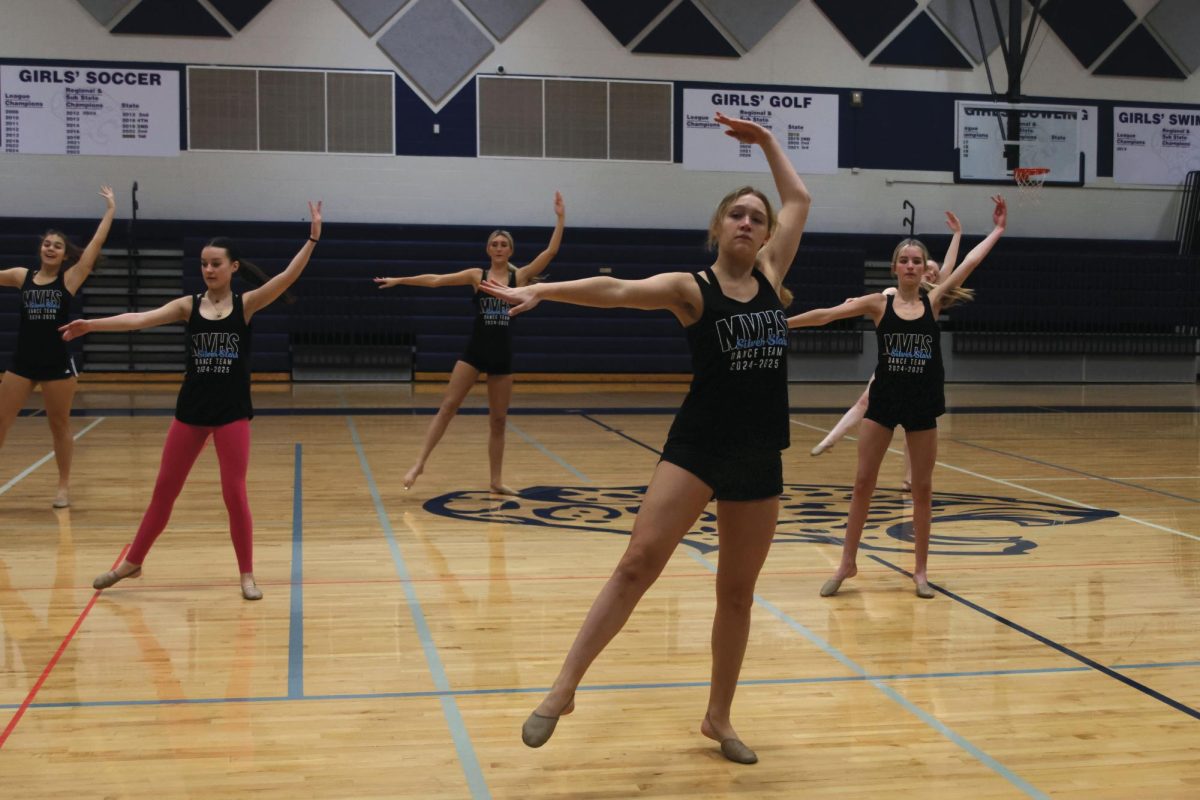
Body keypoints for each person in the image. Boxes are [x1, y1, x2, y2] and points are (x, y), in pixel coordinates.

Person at [479, 113, 810, 764]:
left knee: (736, 594)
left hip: (759, 453)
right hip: (700, 445)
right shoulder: (693, 288)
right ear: (717, 228)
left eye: (757, 217)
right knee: (636, 564)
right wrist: (543, 288)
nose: (748, 222)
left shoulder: (772, 273)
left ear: (768, 235)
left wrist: (768, 142)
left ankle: (719, 718)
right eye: (737, 215)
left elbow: (798, 197)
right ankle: (563, 688)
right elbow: (618, 290)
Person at [61, 201, 323, 601]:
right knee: (163, 493)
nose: (208, 269)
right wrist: (90, 324)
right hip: (191, 414)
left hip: (232, 414)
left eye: (216, 263)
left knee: (234, 494)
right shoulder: (188, 307)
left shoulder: (246, 305)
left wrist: (313, 238)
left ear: (233, 267)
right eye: (204, 263)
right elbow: (138, 318)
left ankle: (247, 575)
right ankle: (133, 562)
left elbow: (287, 278)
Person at [787, 196, 1005, 599]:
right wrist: (783, 323)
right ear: (894, 267)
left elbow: (970, 263)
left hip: (923, 403)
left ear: (925, 270)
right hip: (884, 402)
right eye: (904, 260)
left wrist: (997, 230)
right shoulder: (878, 303)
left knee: (922, 489)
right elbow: (827, 314)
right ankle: (846, 564)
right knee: (862, 484)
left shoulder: (933, 300)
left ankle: (920, 572)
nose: (910, 266)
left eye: (916, 261)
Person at [374, 192, 564, 493]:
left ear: (511, 250)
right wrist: (400, 279)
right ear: (488, 249)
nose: (499, 248)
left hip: (502, 355)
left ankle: (496, 481)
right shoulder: (478, 275)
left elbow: (551, 252)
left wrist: (560, 218)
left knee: (499, 421)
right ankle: (420, 463)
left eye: (504, 244)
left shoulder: (522, 277)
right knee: (448, 406)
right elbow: (436, 280)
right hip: (474, 351)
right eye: (494, 244)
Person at [809, 212, 965, 495]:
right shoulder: (895, 291)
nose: (925, 270)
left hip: (919, 368)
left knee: (915, 428)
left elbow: (954, 266)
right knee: (865, 401)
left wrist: (957, 235)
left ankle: (908, 478)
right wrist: (856, 303)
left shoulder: (932, 298)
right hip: (893, 363)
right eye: (913, 262)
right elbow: (878, 303)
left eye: (926, 266)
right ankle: (831, 438)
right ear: (897, 266)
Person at [0, 186, 117, 508]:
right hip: (22, 361)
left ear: (65, 255)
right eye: (47, 244)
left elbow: (94, 247)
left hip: (56, 364)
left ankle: (63, 487)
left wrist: (109, 211)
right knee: (1, 421)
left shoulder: (69, 279)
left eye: (58, 246)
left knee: (59, 425)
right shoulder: (19, 276)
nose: (51, 248)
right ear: (40, 249)